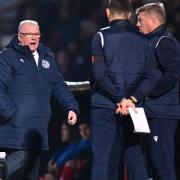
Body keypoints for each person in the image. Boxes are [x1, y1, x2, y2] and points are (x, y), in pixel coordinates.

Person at [0, 20, 79, 180]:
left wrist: (71, 106)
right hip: (16, 134)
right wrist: (13, 115)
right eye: (29, 34)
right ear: (19, 37)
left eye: (36, 34)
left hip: (38, 133)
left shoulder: (46, 57)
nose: (33, 38)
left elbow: (58, 86)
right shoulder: (7, 57)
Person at [90, 0, 159, 180]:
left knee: (102, 160)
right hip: (134, 108)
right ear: (129, 15)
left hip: (105, 106)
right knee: (135, 156)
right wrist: (132, 100)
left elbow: (99, 75)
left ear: (107, 12)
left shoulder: (101, 37)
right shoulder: (145, 40)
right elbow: (151, 78)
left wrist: (121, 99)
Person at [117, 2, 180, 180]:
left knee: (162, 166)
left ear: (154, 20)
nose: (137, 24)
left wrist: (148, 93)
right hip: (146, 111)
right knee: (150, 165)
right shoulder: (148, 42)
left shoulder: (164, 41)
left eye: (141, 20)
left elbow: (173, 74)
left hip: (161, 113)